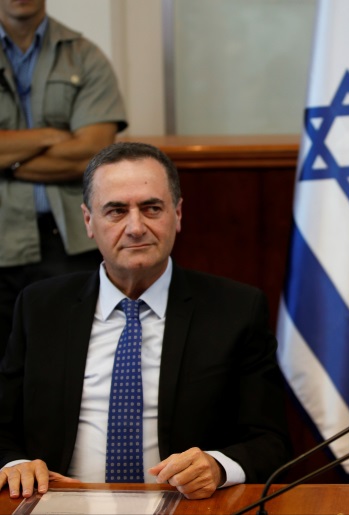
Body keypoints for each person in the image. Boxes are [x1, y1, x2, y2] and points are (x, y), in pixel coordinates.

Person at [0, 142, 290, 500]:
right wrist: (16, 462)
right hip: (59, 503)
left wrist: (217, 466)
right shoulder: (40, 307)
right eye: (116, 211)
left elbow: (270, 440)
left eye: (152, 208)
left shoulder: (235, 309)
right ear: (89, 221)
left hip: (187, 508)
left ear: (178, 214)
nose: (136, 227)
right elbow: (3, 429)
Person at [0, 0, 127, 359]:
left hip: (70, 241)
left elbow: (92, 154)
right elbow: (73, 147)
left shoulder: (85, 56)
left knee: (66, 366)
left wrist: (7, 159)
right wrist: (50, 136)